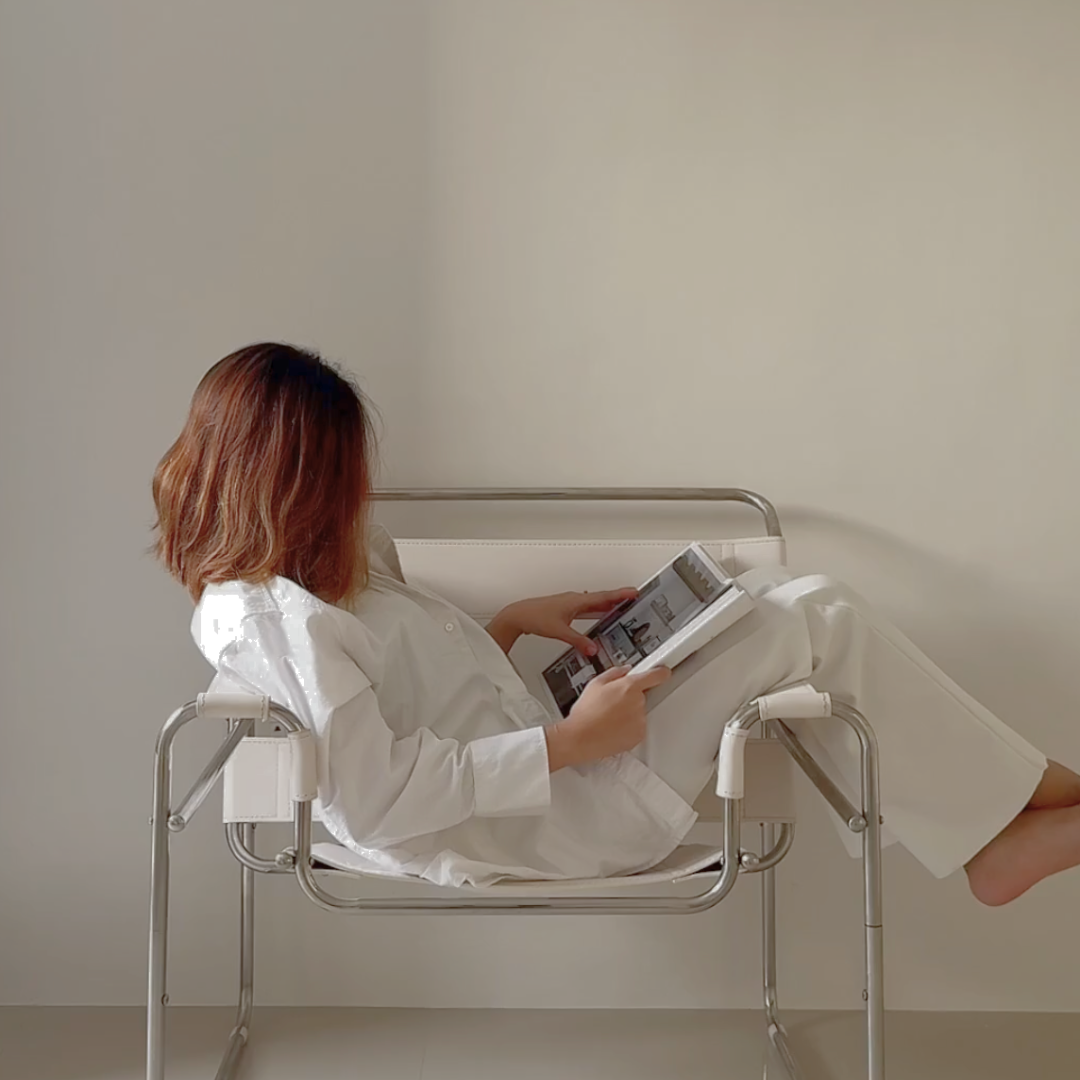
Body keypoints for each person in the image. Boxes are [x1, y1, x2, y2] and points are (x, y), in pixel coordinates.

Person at [152, 343, 1080, 903]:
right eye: (345, 472)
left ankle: (1014, 817)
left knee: (794, 605)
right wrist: (570, 745)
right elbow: (378, 800)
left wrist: (507, 625)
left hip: (554, 758)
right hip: (554, 814)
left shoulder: (314, 567)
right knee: (813, 610)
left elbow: (392, 686)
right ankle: (1025, 812)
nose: (361, 490)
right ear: (296, 482)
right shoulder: (273, 622)